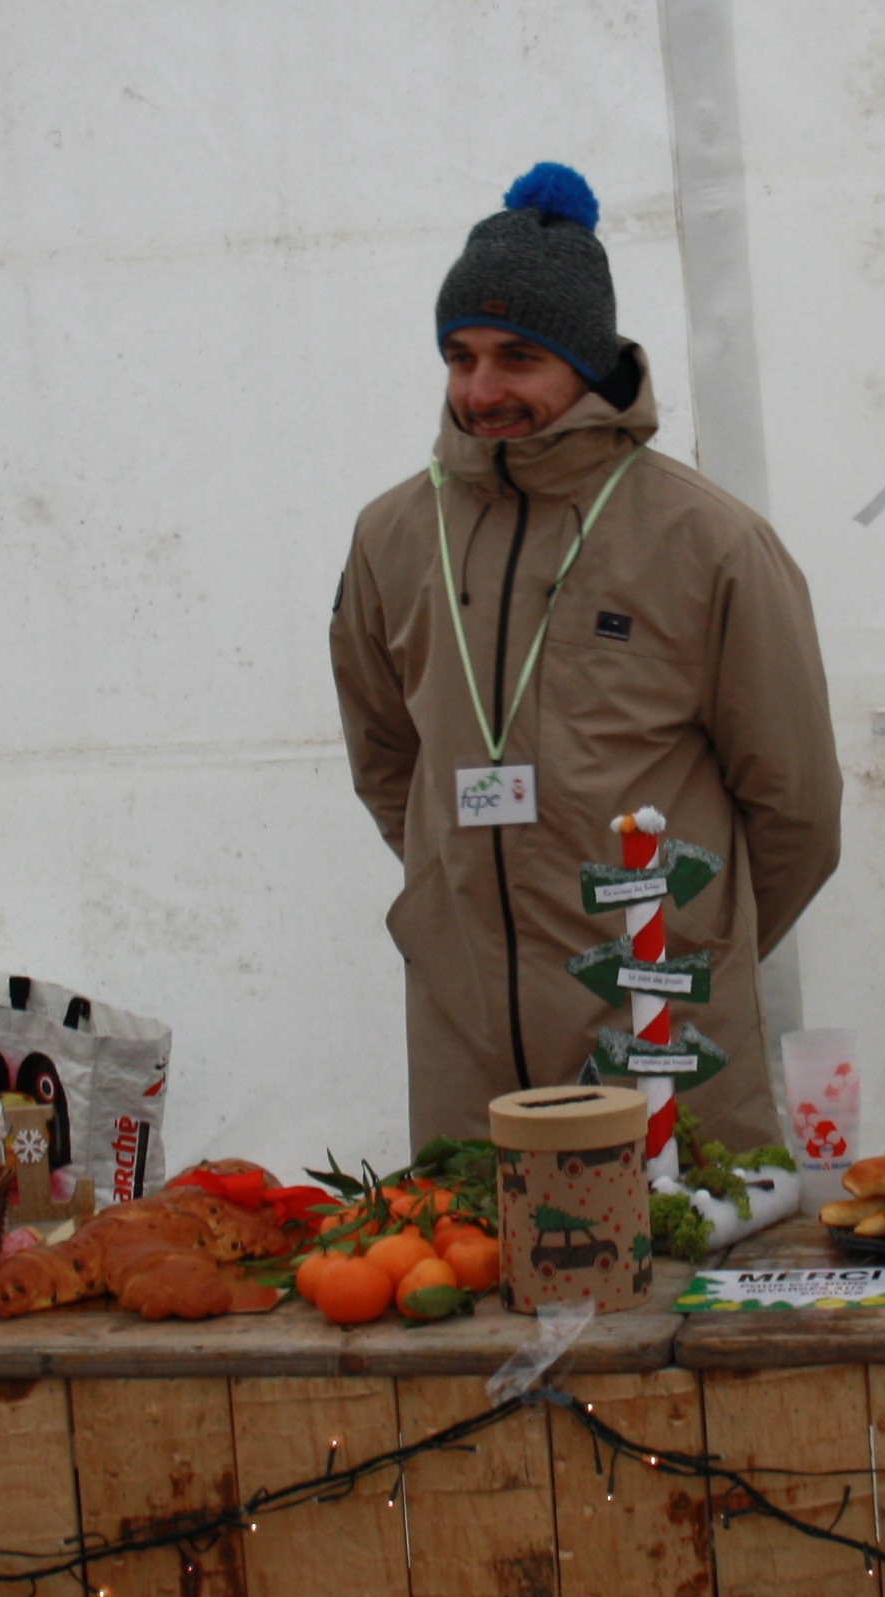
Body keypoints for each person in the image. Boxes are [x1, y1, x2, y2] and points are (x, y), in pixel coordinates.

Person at [330, 163, 839, 1150]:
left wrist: (693, 942)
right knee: (478, 1290)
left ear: (586, 361)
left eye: (518, 356)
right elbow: (386, 760)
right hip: (466, 1048)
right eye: (460, 356)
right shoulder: (393, 534)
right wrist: (468, 906)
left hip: (654, 1033)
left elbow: (799, 810)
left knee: (678, 1290)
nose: (482, 389)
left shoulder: (708, 540)